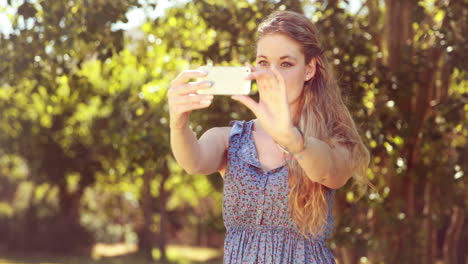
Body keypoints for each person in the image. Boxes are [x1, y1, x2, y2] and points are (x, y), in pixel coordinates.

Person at [168, 10, 372, 264]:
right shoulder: (232, 139)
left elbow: (329, 171)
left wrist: (293, 140)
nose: (270, 74)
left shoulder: (332, 140)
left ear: (309, 69)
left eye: (285, 64)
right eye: (263, 62)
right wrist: (178, 124)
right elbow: (194, 161)